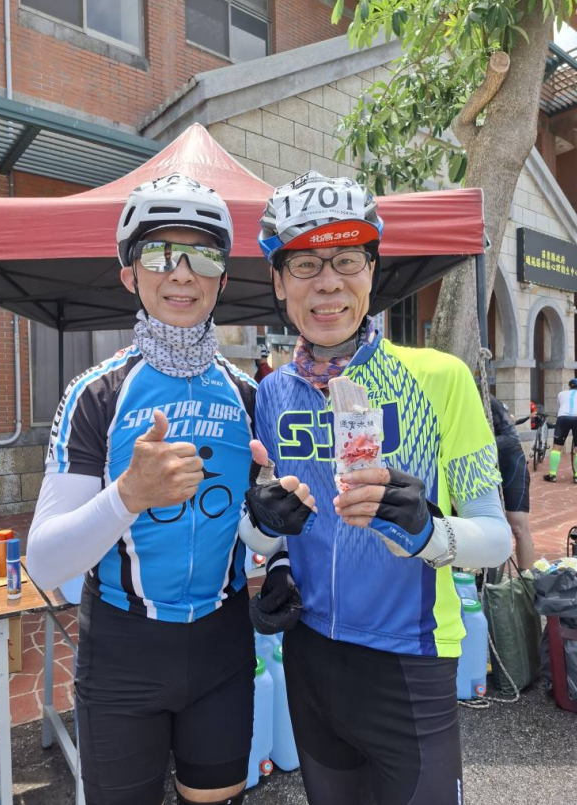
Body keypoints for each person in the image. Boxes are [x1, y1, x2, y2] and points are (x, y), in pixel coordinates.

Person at [26, 174, 300, 805]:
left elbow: (263, 524)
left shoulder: (250, 395)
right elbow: (44, 563)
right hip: (123, 649)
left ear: (222, 279)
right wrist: (128, 493)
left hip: (222, 644)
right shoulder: (95, 394)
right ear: (129, 275)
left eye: (202, 256)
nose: (181, 273)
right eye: (158, 254)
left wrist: (277, 545)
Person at [245, 171, 512, 805]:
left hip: (409, 661)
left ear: (372, 270)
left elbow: (497, 538)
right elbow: (270, 536)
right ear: (279, 281)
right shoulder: (272, 393)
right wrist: (270, 546)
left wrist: (427, 531)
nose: (328, 282)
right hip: (310, 655)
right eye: (305, 263)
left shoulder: (441, 378)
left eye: (347, 259)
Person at [489, 394, 535, 569]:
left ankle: (527, 580)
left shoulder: (486, 400)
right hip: (482, 468)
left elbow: (511, 437)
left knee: (518, 526)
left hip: (510, 463)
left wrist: (479, 444)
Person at [544, 378, 577, 483]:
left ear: (569, 386)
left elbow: (559, 407)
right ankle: (576, 476)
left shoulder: (561, 394)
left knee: (557, 447)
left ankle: (552, 475)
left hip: (563, 418)